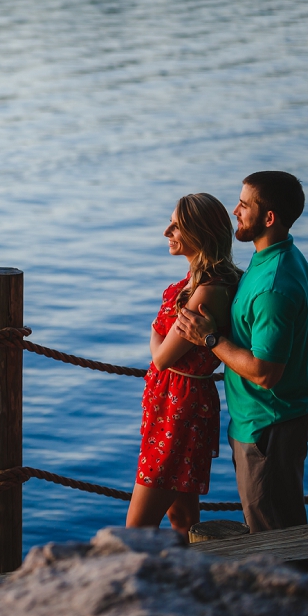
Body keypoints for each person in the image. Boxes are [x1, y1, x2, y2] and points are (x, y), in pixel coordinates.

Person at [175, 171, 308, 533]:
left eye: (245, 204)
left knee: (273, 539)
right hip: (267, 423)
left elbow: (266, 373)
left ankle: (291, 591)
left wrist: (209, 339)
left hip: (268, 426)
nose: (234, 209)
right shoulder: (277, 257)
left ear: (269, 218)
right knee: (280, 529)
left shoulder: (273, 285)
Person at [126, 193, 242, 538]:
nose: (167, 231)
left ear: (199, 233)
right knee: (182, 517)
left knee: (136, 530)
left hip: (179, 409)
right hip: (172, 402)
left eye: (176, 225)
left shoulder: (208, 291)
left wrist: (153, 332)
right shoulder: (197, 284)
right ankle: (190, 580)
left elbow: (162, 357)